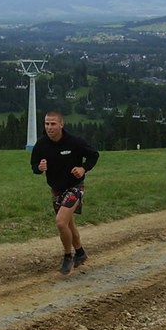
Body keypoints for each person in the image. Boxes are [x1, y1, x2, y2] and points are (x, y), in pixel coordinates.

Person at [31, 110, 100, 275]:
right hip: (56, 190)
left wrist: (83, 168)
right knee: (68, 224)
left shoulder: (74, 142)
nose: (49, 127)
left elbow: (94, 155)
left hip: (75, 187)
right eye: (47, 124)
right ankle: (80, 253)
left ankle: (68, 256)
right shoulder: (41, 144)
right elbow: (34, 165)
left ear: (61, 124)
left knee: (61, 222)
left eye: (53, 124)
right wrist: (39, 168)